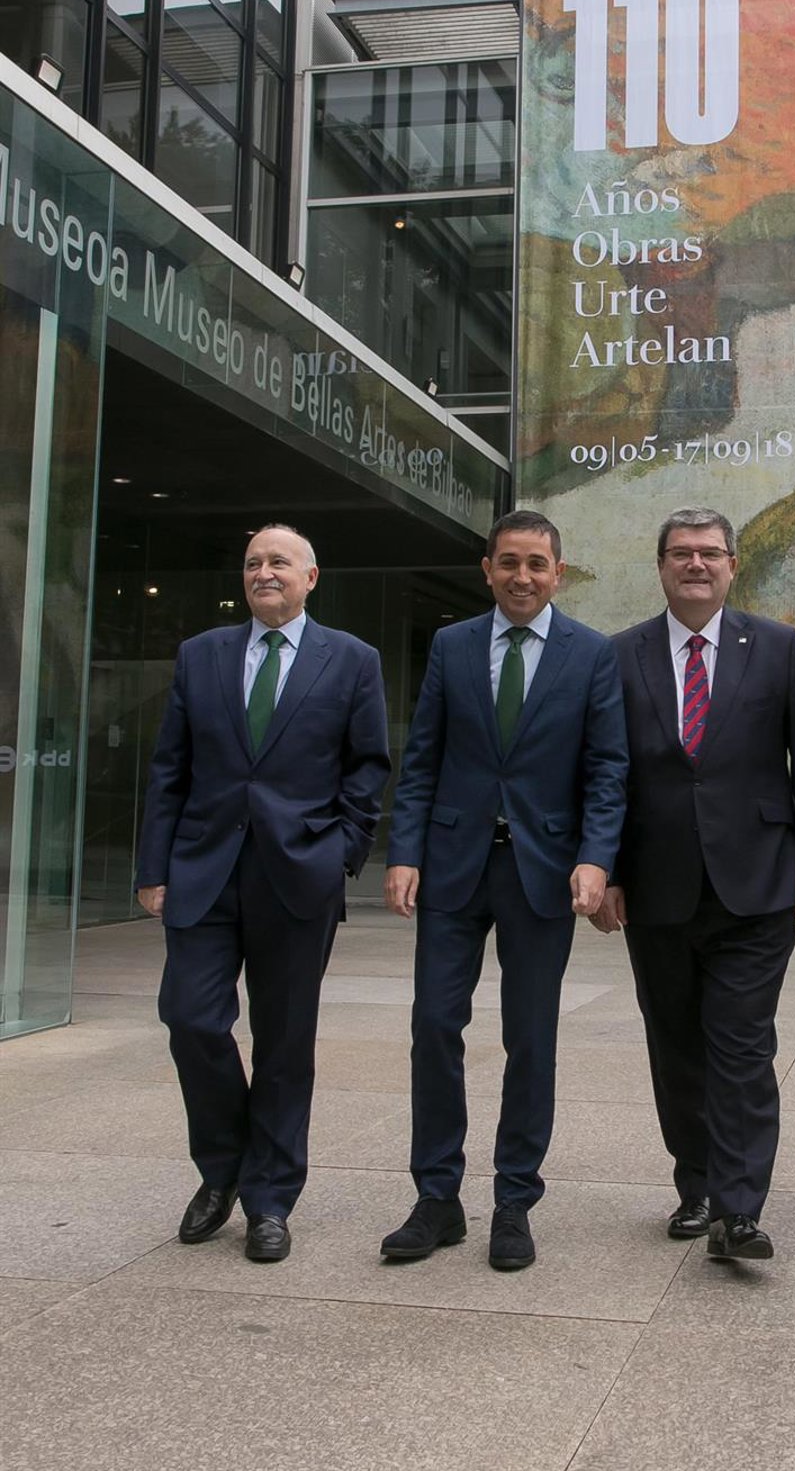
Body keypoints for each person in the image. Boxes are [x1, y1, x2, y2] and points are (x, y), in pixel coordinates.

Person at [380, 510, 628, 1271]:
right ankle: (437, 1198)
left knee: (530, 1036)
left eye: (537, 564)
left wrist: (596, 858)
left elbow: (608, 769)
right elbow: (422, 758)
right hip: (453, 863)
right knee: (433, 1024)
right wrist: (403, 850)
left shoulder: (592, 653)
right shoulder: (452, 645)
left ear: (559, 573)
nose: (523, 576)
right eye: (509, 562)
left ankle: (515, 1199)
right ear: (487, 569)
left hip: (542, 870)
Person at [136, 525, 390, 1263]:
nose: (264, 572)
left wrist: (340, 853)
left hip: (298, 874)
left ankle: (270, 1197)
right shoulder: (201, 654)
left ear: (312, 576)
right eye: (253, 563)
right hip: (204, 870)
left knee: (283, 1041)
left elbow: (367, 768)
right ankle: (223, 1168)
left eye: (279, 561)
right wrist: (153, 867)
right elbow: (170, 768)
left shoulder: (352, 659)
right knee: (190, 1018)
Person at [594, 506, 795, 1260]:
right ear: (661, 566)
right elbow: (603, 772)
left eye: (709, 552)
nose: (695, 564)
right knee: (675, 1045)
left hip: (756, 883)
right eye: (681, 553)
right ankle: (696, 1184)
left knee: (741, 1046)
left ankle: (739, 1209)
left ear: (733, 564)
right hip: (655, 887)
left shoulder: (777, 646)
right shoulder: (619, 654)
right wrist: (606, 870)